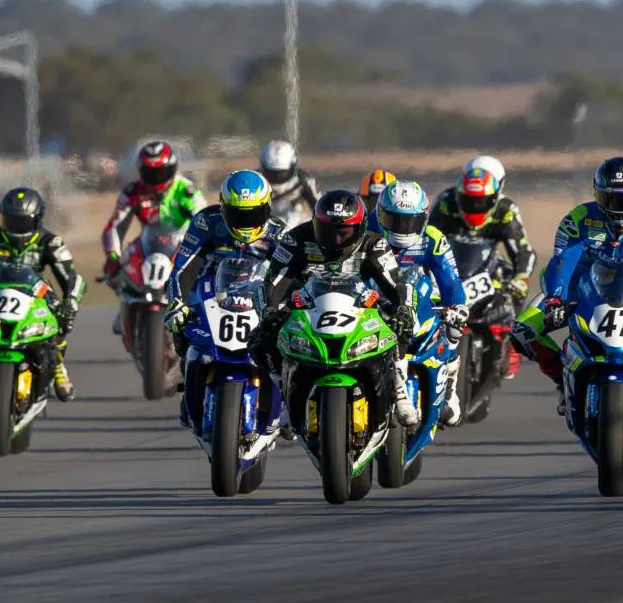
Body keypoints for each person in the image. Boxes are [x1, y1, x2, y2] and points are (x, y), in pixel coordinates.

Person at [511, 156, 623, 437]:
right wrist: (557, 299)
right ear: (598, 195)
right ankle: (564, 381)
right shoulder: (578, 219)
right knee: (523, 330)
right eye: (611, 199)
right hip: (579, 290)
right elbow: (562, 262)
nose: (620, 209)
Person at [250, 190, 419, 428]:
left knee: (401, 323)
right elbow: (271, 283)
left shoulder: (375, 244)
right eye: (328, 233)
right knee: (263, 337)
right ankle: (283, 397)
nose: (336, 241)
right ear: (316, 224)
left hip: (362, 308)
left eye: (344, 233)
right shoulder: (295, 239)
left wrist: (404, 310)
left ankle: (399, 389)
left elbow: (397, 286)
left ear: (359, 228)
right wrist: (268, 312)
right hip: (309, 306)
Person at [163, 169, 289, 431]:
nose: (245, 221)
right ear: (223, 206)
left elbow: (290, 276)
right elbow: (183, 268)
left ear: (266, 208)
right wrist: (178, 301)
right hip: (211, 293)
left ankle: (284, 403)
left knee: (284, 339)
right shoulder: (206, 222)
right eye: (238, 214)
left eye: (252, 214)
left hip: (258, 298)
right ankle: (191, 384)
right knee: (182, 325)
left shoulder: (279, 233)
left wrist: (287, 307)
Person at [0, 186, 86, 402]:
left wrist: (71, 301)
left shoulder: (50, 241)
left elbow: (72, 277)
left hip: (34, 289)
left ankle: (57, 364)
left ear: (37, 221)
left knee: (60, 314)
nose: (15, 228)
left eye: (22, 223)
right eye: (10, 221)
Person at [368, 180, 469, 425]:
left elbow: (451, 281)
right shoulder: (366, 230)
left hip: (419, 293)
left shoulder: (432, 238)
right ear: (381, 214)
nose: (402, 228)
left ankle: (450, 388)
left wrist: (456, 306)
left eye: (409, 221)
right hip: (373, 294)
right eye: (395, 220)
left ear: (422, 218)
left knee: (456, 325)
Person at [429, 160, 535, 379]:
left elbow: (524, 252)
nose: (475, 207)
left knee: (516, 288)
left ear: (496, 195)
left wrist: (521, 277)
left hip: (489, 269)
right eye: (468, 200)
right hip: (449, 266)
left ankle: (510, 340)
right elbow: (426, 241)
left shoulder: (506, 210)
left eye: (481, 201)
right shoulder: (444, 204)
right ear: (459, 194)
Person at [102, 141, 207, 334]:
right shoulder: (133, 192)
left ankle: (195, 312)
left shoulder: (186, 190)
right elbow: (114, 227)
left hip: (183, 244)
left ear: (172, 168)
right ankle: (127, 303)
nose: (156, 178)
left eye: (160, 172)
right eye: (150, 173)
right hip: (149, 242)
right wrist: (112, 257)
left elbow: (205, 221)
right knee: (121, 263)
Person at [258, 140, 321, 228]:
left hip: (297, 227)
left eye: (282, 172)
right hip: (263, 228)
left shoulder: (303, 179)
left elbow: (318, 206)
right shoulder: (256, 180)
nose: (277, 176)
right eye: (273, 173)